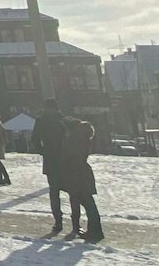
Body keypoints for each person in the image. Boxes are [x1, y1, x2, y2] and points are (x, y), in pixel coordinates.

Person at [29, 98, 70, 236]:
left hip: (57, 158)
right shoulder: (60, 120)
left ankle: (61, 222)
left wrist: (43, 151)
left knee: (56, 191)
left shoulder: (53, 120)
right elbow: (35, 138)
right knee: (61, 191)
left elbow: (34, 139)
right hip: (59, 158)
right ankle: (61, 221)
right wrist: (43, 151)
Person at [63, 120, 103, 242]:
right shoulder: (86, 140)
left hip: (76, 174)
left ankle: (94, 231)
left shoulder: (75, 141)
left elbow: (69, 155)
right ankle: (95, 230)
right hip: (84, 173)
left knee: (85, 202)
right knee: (89, 204)